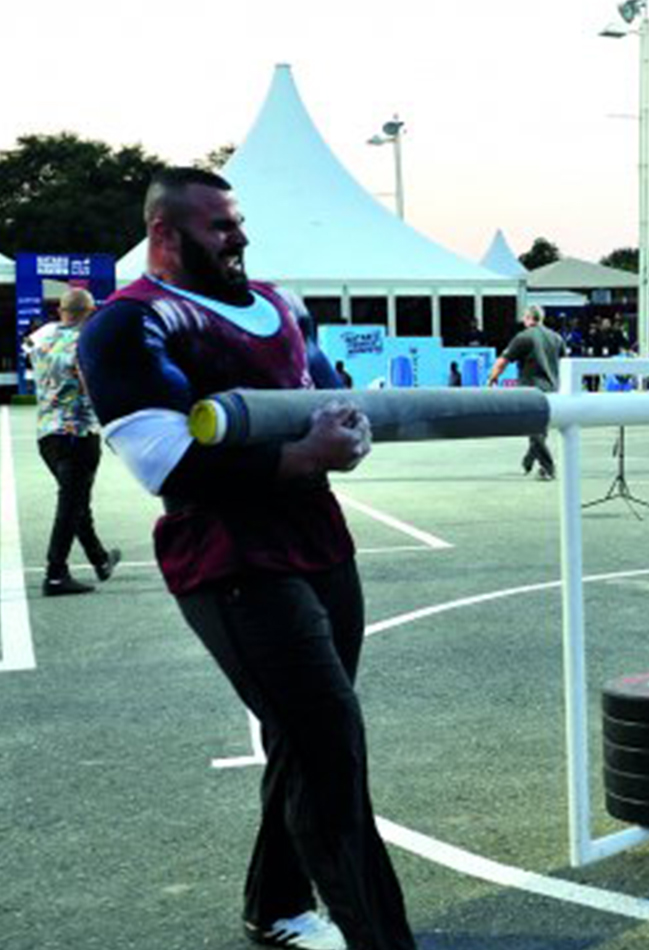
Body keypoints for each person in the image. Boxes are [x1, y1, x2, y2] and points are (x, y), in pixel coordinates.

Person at [77, 167, 410, 950]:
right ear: (166, 232)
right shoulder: (128, 323)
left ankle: (276, 906)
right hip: (230, 556)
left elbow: (330, 399)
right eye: (220, 225)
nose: (240, 236)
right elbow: (166, 462)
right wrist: (304, 453)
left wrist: (344, 439)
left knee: (306, 737)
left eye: (238, 221)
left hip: (321, 540)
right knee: (330, 743)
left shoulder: (280, 303)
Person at [27, 288, 121, 596]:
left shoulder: (43, 334)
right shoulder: (85, 342)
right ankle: (56, 573)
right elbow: (89, 383)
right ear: (90, 313)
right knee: (71, 503)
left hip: (47, 434)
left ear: (61, 311)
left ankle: (99, 558)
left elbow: (28, 348)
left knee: (76, 500)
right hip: (77, 433)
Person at [486, 306, 566, 480]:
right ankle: (528, 461)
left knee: (534, 429)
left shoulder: (523, 337)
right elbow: (564, 363)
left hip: (530, 388)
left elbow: (502, 362)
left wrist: (492, 378)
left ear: (528, 318)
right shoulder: (557, 338)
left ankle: (548, 467)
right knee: (540, 428)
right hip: (552, 388)